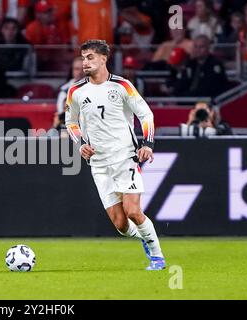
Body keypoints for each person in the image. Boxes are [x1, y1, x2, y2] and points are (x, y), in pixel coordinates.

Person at [65, 39, 165, 270]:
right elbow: (70, 123)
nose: (85, 62)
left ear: (103, 58)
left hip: (125, 158)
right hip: (98, 164)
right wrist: (80, 144)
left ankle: (157, 256)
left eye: (90, 57)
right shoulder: (76, 91)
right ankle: (145, 238)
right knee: (121, 225)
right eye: (83, 57)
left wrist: (147, 144)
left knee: (133, 211)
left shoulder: (122, 86)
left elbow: (146, 115)